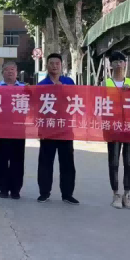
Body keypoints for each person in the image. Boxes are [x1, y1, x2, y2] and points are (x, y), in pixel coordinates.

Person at [37, 53, 79, 205]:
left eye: (57, 63)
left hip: (65, 128)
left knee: (67, 163)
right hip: (47, 129)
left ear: (61, 66)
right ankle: (44, 193)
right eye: (51, 63)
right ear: (47, 65)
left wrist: (63, 90)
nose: (54, 66)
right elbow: (37, 107)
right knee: (45, 163)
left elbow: (76, 100)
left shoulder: (69, 82)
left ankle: (67, 194)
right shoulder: (41, 85)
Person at [105, 50, 130, 210]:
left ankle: (127, 194)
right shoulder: (105, 83)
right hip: (113, 127)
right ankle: (116, 194)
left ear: (125, 64)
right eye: (115, 61)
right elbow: (100, 103)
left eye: (121, 61)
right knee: (114, 161)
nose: (118, 64)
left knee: (129, 161)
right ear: (111, 65)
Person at [0, 60, 26, 199]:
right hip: (2, 129)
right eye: (7, 69)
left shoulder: (25, 88)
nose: (10, 72)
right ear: (2, 72)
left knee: (17, 161)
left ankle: (15, 189)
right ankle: (3, 188)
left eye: (12, 69)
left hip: (19, 129)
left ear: (17, 72)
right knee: (2, 160)